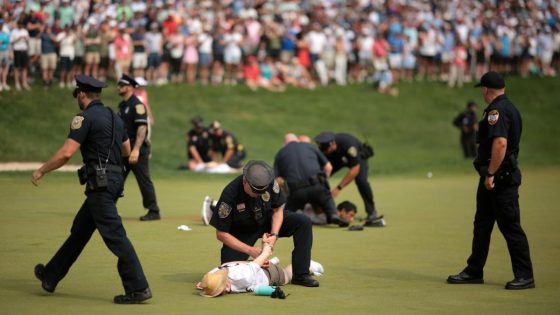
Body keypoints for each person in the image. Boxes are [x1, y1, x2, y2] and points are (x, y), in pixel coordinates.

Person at [31, 74, 152, 304]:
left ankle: (139, 287)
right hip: (114, 182)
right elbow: (126, 150)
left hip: (100, 185)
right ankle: (51, 275)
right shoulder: (115, 117)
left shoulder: (83, 118)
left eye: (78, 94)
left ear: (82, 94)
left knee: (116, 237)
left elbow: (67, 153)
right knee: (80, 231)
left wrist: (42, 170)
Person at [447, 71, 535, 290]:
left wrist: (491, 174)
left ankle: (525, 275)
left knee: (510, 227)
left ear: (485, 90)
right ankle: (474, 270)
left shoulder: (497, 111)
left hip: (499, 179)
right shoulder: (509, 108)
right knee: (482, 225)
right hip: (494, 177)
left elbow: (500, 144)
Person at [209, 160, 320, 287]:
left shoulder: (270, 183)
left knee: (303, 221)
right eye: (255, 192)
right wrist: (250, 250)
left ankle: (300, 274)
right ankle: (260, 266)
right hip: (242, 230)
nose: (258, 195)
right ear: (245, 181)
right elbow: (221, 234)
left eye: (262, 192)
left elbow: (278, 209)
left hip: (266, 219)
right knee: (230, 272)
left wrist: (275, 234)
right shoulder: (230, 195)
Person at [273, 133, 348, 227]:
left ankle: (283, 220)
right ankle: (333, 214)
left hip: (297, 192)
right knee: (327, 199)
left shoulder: (280, 153)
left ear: (285, 144)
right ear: (297, 140)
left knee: (287, 212)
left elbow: (277, 180)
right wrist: (323, 183)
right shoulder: (310, 146)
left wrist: (285, 194)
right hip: (317, 187)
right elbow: (328, 167)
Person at [314, 132, 385, 227]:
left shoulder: (348, 146)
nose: (325, 152)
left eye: (326, 149)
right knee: (320, 178)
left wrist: (338, 188)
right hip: (337, 160)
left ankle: (372, 212)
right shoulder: (324, 150)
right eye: (323, 150)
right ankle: (318, 208)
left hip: (357, 159)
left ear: (333, 144)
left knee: (361, 181)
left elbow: (355, 169)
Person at [117, 74, 161, 221]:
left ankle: (154, 211)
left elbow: (142, 129)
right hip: (124, 151)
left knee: (144, 180)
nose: (119, 88)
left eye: (122, 85)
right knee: (116, 179)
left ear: (130, 87)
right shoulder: (122, 105)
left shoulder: (137, 105)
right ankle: (108, 207)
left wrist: (136, 149)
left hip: (137, 150)